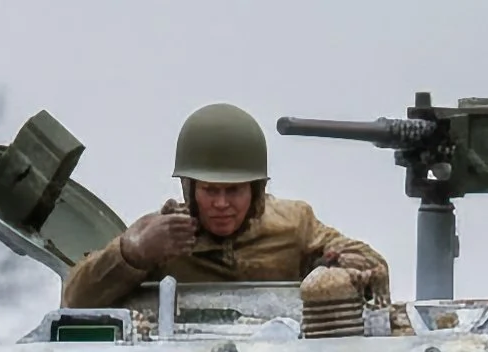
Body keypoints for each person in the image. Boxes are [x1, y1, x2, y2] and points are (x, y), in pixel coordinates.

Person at [61, 103, 388, 309]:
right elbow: (74, 300)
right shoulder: (159, 239)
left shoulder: (294, 224)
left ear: (256, 190)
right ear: (189, 190)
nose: (221, 204)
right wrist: (132, 253)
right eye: (209, 190)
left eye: (233, 190)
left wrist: (336, 266)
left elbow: (372, 266)